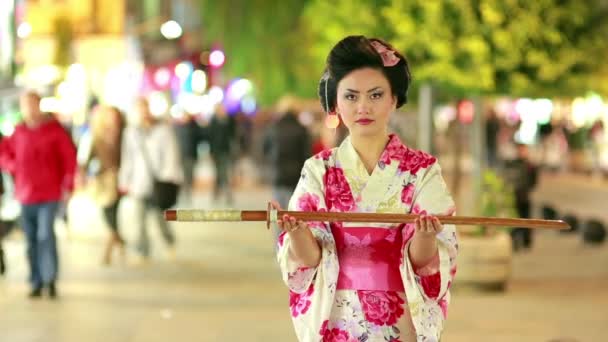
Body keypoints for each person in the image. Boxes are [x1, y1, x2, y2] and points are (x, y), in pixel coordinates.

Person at [273, 36, 458, 341]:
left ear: (393, 99)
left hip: (398, 318)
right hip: (336, 316)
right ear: (335, 102)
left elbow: (428, 261)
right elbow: (308, 261)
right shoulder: (318, 170)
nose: (363, 107)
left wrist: (425, 235)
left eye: (375, 95)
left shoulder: (422, 171)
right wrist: (296, 231)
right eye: (351, 96)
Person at [0, 91, 77, 298]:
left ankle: (50, 278)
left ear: (39, 106)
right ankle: (35, 280)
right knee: (31, 239)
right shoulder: (18, 132)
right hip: (25, 194)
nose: (29, 109)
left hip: (49, 193)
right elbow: (4, 154)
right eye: (25, 105)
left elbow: (69, 158)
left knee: (45, 235)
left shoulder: (54, 131)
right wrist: (12, 165)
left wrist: (68, 184)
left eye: (32, 105)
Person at [119, 97, 183, 263]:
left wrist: (168, 178)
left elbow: (171, 155)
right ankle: (143, 251)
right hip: (138, 182)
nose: (142, 112)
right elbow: (128, 158)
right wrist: (124, 180)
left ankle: (169, 242)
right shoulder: (131, 132)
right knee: (138, 219)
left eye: (144, 108)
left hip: (158, 181)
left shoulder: (163, 130)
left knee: (159, 217)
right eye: (139, 109)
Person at [78, 106, 126, 265]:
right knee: (108, 214)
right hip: (103, 181)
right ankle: (118, 240)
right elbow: (84, 161)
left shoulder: (124, 135)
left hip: (121, 179)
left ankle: (108, 252)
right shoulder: (94, 136)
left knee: (112, 214)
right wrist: (82, 177)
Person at [502, 143, 538, 251]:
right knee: (514, 220)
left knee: (526, 220)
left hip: (524, 197)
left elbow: (533, 181)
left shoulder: (530, 165)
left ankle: (526, 242)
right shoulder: (513, 164)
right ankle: (515, 241)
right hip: (514, 196)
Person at [208, 103, 236, 205]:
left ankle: (226, 194)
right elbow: (210, 137)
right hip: (216, 151)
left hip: (226, 150)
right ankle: (218, 192)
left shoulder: (229, 121)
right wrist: (211, 151)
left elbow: (233, 135)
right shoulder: (213, 121)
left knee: (223, 172)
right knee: (219, 173)